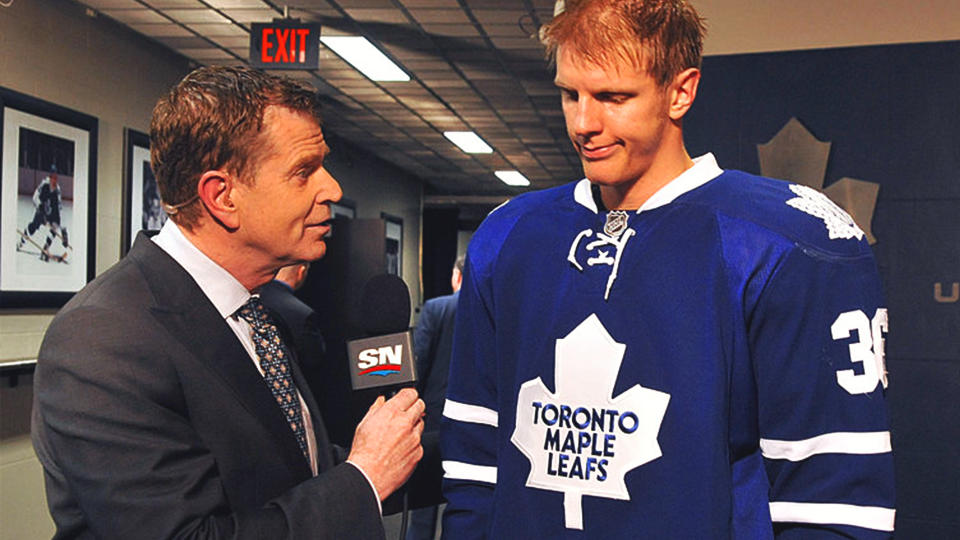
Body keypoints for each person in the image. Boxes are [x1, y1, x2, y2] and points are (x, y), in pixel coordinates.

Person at [440, 1, 895, 538]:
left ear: (681, 91)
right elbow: (474, 465)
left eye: (613, 96)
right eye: (570, 94)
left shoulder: (787, 242)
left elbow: (834, 504)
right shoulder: (510, 236)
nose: (584, 123)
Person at [31, 66, 425, 540]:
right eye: (304, 171)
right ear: (222, 197)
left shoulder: (261, 313)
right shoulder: (103, 339)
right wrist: (362, 480)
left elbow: (290, 472)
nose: (333, 190)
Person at [407, 255, 465, 540]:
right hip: (475, 419)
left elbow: (419, 361)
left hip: (434, 415)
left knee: (423, 504)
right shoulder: (497, 310)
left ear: (456, 277)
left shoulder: (436, 308)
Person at [17, 165, 69, 261]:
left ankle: (45, 248)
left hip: (50, 213)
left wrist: (63, 233)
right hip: (41, 211)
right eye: (53, 177)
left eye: (56, 177)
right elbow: (35, 197)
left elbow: (59, 210)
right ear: (50, 177)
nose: (54, 179)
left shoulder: (57, 190)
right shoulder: (44, 184)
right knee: (33, 228)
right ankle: (21, 242)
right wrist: (40, 206)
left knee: (54, 228)